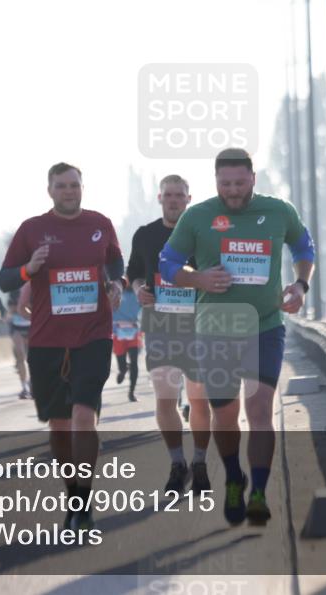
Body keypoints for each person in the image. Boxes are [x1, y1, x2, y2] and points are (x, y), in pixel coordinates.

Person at [159, 148, 314, 526]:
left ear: (253, 179)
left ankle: (258, 491)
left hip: (265, 326)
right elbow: (168, 263)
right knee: (224, 414)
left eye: (239, 183)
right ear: (216, 181)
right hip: (215, 330)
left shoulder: (278, 211)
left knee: (259, 410)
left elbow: (303, 246)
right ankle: (233, 477)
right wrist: (198, 279)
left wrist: (300, 285)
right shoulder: (198, 217)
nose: (232, 190)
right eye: (225, 183)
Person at [0, 162, 124, 532]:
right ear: (49, 190)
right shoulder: (32, 229)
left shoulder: (100, 224)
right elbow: (5, 279)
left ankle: (84, 503)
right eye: (62, 186)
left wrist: (117, 283)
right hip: (47, 339)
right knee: (59, 425)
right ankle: (73, 496)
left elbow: (115, 262)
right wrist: (29, 269)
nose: (69, 191)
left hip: (94, 334)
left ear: (82, 187)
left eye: (74, 185)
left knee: (84, 416)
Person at [127, 175, 212, 495]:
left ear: (189, 199)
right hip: (160, 325)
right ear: (160, 198)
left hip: (198, 326)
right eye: (168, 195)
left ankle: (200, 462)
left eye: (179, 195)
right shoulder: (145, 235)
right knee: (165, 397)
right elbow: (134, 272)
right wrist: (139, 290)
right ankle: (178, 463)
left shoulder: (203, 234)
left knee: (198, 398)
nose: (174, 200)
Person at [112, 282, 142, 402]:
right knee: (122, 364)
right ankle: (123, 369)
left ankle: (131, 392)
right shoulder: (115, 289)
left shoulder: (138, 291)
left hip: (134, 331)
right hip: (118, 331)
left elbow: (144, 309)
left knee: (134, 362)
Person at [7, 283, 32, 399]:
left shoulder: (34, 286)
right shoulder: (14, 290)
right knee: (20, 356)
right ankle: (24, 387)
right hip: (17, 327)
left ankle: (32, 383)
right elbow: (11, 309)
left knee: (32, 358)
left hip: (32, 326)